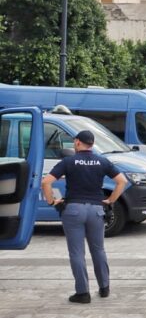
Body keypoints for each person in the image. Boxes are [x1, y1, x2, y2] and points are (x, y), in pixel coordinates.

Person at [41, 130, 127, 303]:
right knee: (98, 249)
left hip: (73, 209)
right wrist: (110, 200)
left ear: (78, 142)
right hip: (96, 209)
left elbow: (46, 182)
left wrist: (52, 201)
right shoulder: (102, 161)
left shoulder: (68, 161)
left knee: (77, 252)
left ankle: (82, 293)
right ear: (92, 144)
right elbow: (122, 181)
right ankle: (104, 287)